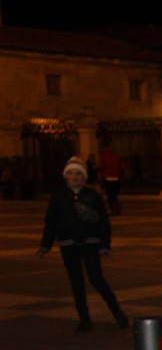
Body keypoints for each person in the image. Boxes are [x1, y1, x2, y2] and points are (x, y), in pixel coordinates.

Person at [38, 157, 127, 332]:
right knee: (76, 282)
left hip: (89, 243)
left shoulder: (92, 195)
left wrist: (104, 244)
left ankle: (117, 312)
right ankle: (84, 319)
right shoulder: (58, 197)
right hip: (68, 244)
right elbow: (51, 222)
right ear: (65, 176)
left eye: (79, 173)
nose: (75, 176)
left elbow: (103, 222)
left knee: (96, 278)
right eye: (71, 173)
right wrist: (45, 245)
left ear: (84, 177)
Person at [97, 140, 123, 215]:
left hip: (107, 178)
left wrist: (100, 177)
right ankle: (117, 209)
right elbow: (121, 168)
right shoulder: (116, 155)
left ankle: (113, 210)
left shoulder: (103, 156)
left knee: (110, 196)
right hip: (116, 178)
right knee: (115, 195)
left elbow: (101, 167)